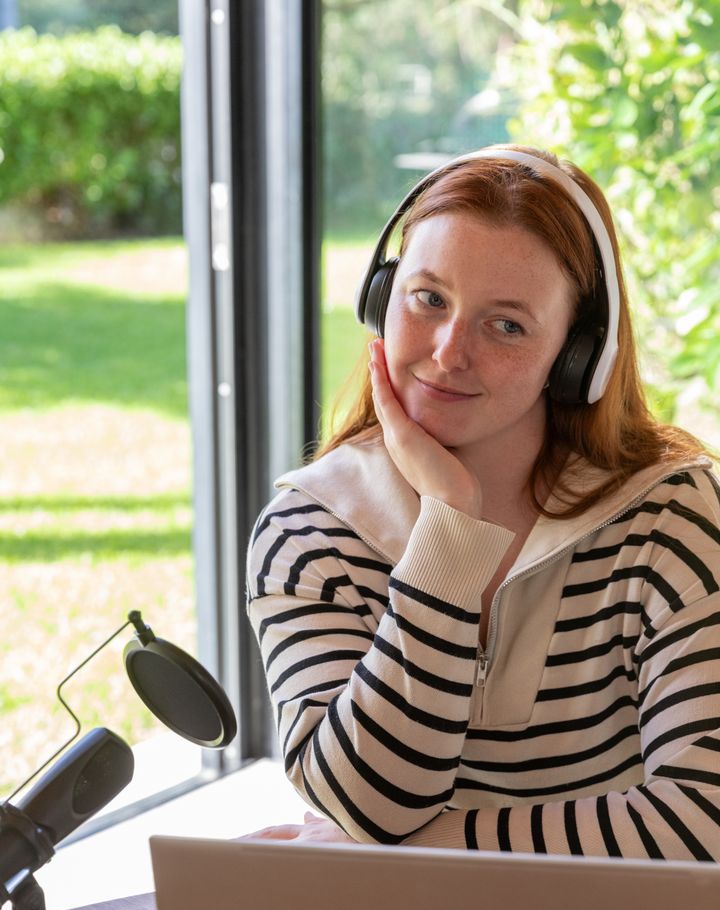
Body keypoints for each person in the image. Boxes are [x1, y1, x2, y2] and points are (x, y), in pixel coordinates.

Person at [245, 144, 720, 859]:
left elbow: (702, 822)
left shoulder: (670, 516)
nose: (447, 352)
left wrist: (426, 844)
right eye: (428, 298)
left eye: (507, 325)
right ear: (382, 296)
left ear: (576, 355)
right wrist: (450, 532)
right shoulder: (308, 531)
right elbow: (366, 800)